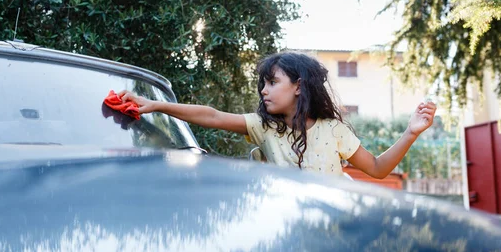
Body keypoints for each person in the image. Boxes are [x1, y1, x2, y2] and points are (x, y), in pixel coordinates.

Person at [118, 52, 436, 178]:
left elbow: (378, 169)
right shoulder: (263, 127)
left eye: (272, 82)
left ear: (298, 86)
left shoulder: (333, 130)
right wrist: (156, 104)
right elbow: (213, 116)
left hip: (335, 231)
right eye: (263, 84)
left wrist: (411, 132)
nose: (264, 91)